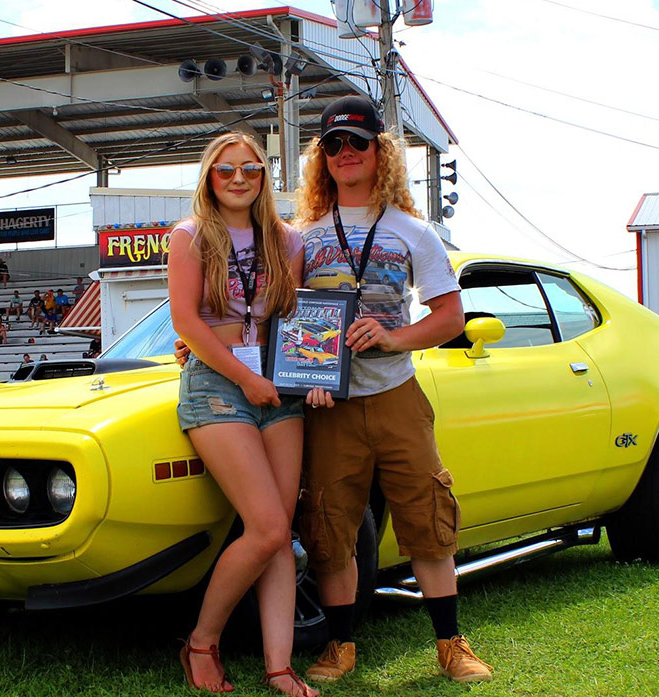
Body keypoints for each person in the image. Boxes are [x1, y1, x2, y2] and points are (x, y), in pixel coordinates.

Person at [296, 96, 487, 684]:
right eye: (333, 144)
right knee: (329, 528)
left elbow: (450, 317)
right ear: (320, 158)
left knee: (428, 518)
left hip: (397, 397)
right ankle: (339, 647)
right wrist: (310, 377)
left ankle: (451, 645)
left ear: (382, 152)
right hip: (331, 406)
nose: (346, 153)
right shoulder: (299, 237)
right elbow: (279, 314)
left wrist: (394, 335)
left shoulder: (412, 231)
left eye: (358, 142)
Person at [168, 133, 312, 696]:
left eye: (249, 169)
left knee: (280, 534)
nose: (237, 179)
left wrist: (315, 375)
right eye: (225, 170)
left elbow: (297, 321)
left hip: (280, 386)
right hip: (219, 387)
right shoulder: (190, 236)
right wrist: (244, 375)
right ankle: (201, 643)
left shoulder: (287, 240)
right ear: (209, 177)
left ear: (263, 176)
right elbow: (187, 321)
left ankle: (279, 666)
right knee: (268, 525)